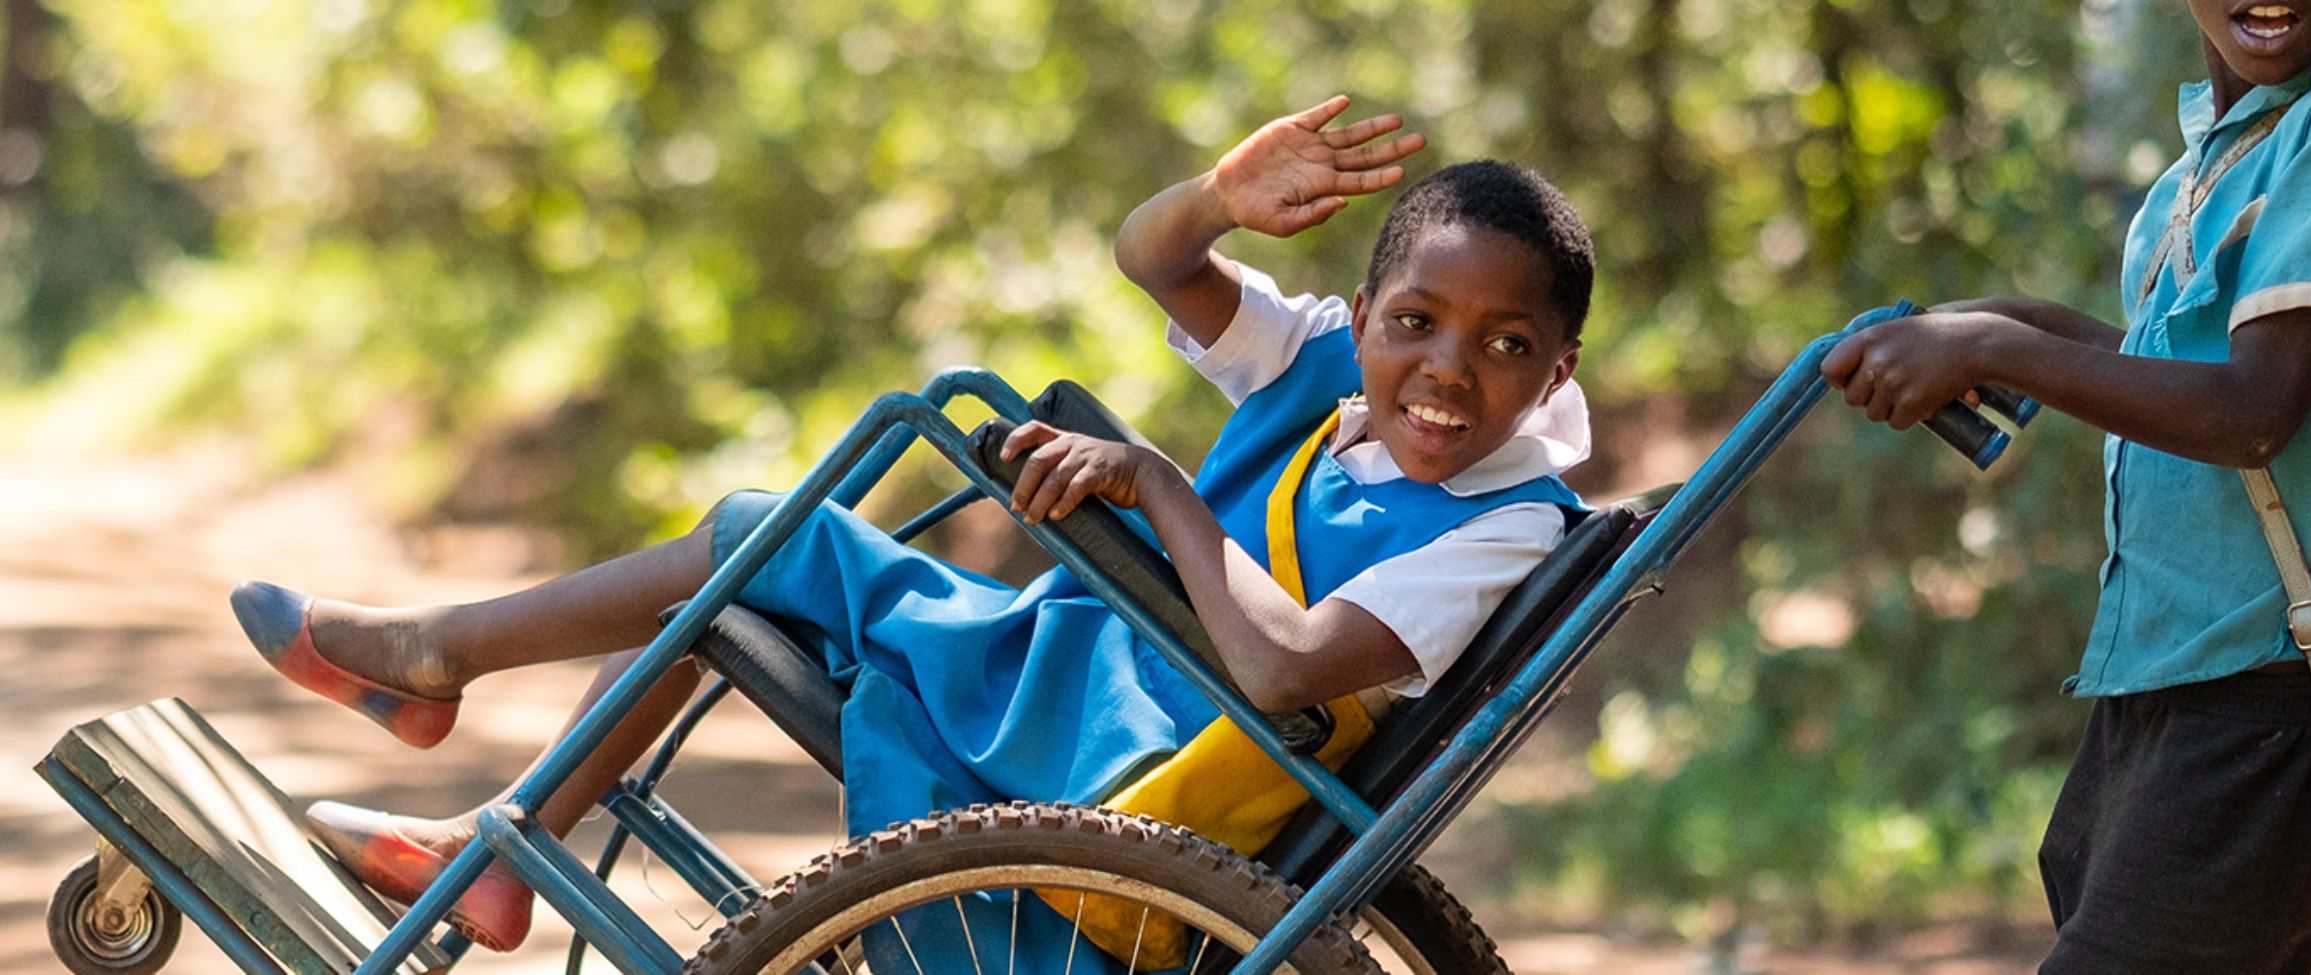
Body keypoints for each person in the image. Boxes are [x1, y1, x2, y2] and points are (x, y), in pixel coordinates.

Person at [229, 94, 1598, 956]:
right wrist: (1217, 201)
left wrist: (1154, 483)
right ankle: (493, 842)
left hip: (1113, 761)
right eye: (1416, 321)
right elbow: (1153, 256)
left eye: (1503, 344)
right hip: (1066, 672)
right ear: (1362, 316)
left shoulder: (1503, 525)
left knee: (767, 536)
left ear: (1556, 374)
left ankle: (439, 667)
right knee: (751, 562)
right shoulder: (1319, 360)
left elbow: (1288, 667)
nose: (1445, 369)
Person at [1818, 2, 2311, 971]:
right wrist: (2012, 323)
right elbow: (2177, 377)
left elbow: (2252, 412)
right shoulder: (2203, 167)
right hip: (2163, 675)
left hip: (2264, 677)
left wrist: (1995, 348)